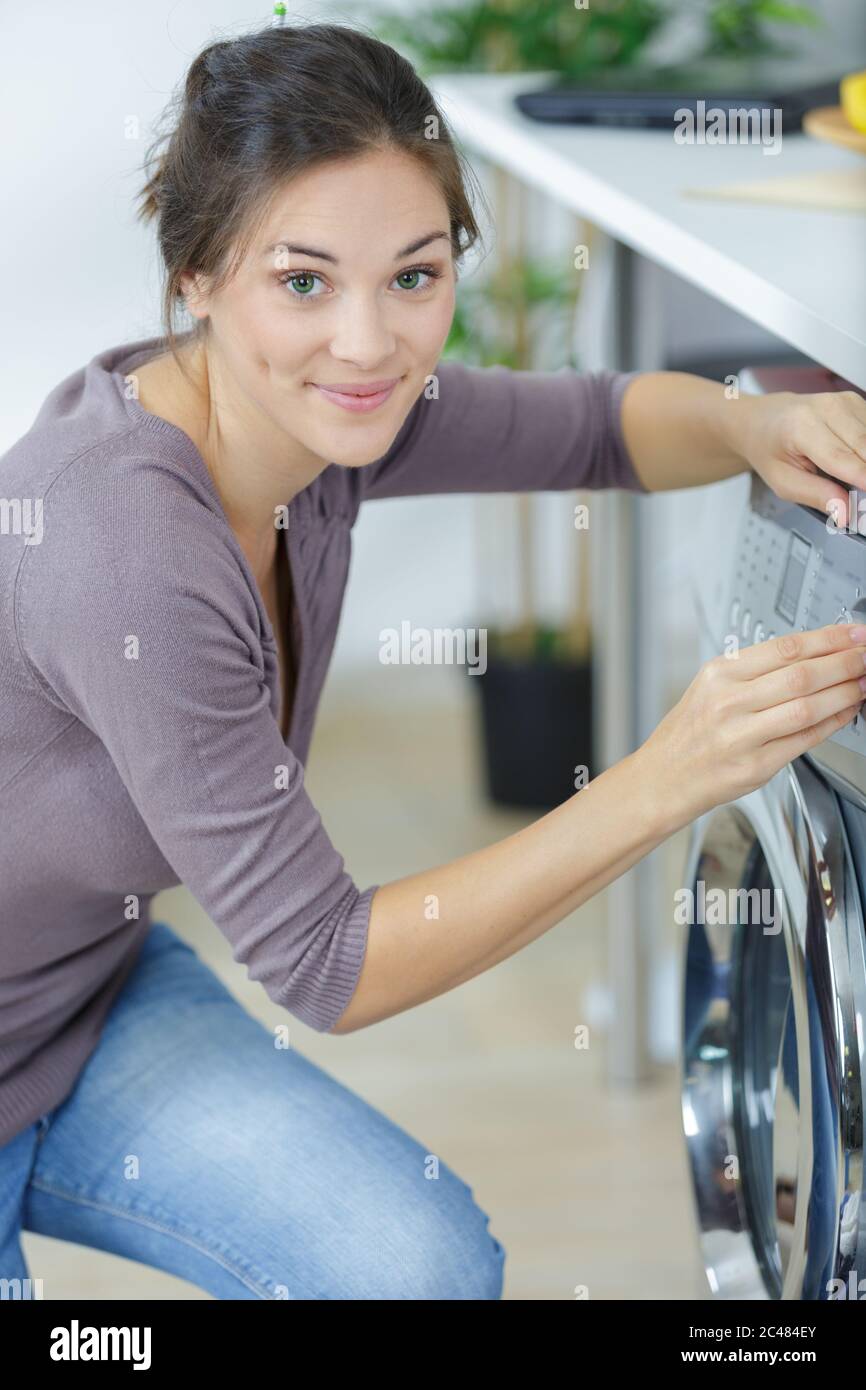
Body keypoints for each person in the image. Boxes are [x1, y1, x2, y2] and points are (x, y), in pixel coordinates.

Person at [1, 20, 865, 1302]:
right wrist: (666, 773)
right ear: (196, 274)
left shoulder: (317, 419)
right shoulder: (123, 541)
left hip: (72, 999)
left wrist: (756, 420)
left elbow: (590, 428)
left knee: (416, 1269)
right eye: (303, 281)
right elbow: (327, 965)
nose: (369, 343)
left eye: (413, 276)